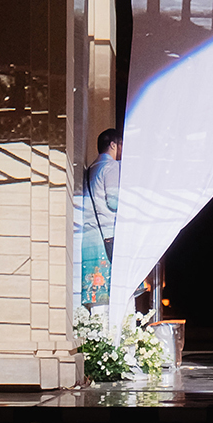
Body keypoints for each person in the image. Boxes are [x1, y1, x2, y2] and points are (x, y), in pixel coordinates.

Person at [80, 128, 121, 306]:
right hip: (108, 237)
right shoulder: (111, 167)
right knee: (112, 296)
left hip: (90, 237)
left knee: (95, 294)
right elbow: (114, 202)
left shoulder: (90, 169)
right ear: (112, 144)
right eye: (121, 144)